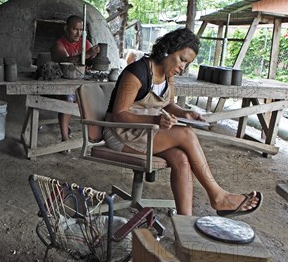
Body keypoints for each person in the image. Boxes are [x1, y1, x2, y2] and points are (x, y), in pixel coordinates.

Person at [104, 28, 262, 216]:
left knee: (181, 159)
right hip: (120, 133)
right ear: (166, 50)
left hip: (145, 131)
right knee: (186, 134)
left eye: (187, 64)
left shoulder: (168, 76)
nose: (183, 67)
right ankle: (218, 196)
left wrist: (185, 113)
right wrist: (156, 119)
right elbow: (119, 114)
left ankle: (184, 220)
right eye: (182, 59)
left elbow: (168, 104)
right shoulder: (137, 72)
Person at [50, 15, 100, 144]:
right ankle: (65, 139)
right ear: (66, 28)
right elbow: (65, 61)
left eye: (81, 30)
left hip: (81, 83)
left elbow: (90, 61)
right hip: (63, 84)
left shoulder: (84, 43)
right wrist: (87, 54)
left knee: (100, 96)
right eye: (75, 29)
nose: (78, 33)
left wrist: (97, 56)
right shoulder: (58, 45)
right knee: (68, 99)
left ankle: (96, 135)